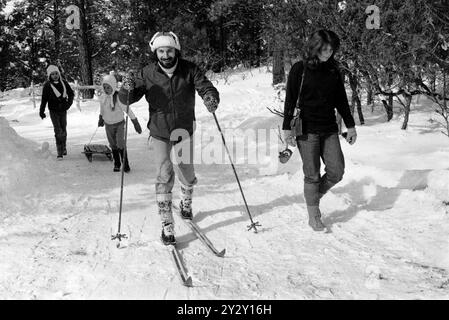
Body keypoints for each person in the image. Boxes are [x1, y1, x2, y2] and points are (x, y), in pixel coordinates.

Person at [119, 31, 220, 245]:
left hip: (184, 129)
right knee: (164, 174)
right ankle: (167, 224)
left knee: (186, 170)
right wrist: (126, 88)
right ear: (156, 52)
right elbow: (128, 98)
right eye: (161, 51)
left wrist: (210, 97)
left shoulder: (189, 69)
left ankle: (186, 201)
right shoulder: (147, 73)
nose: (165, 55)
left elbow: (205, 86)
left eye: (169, 50)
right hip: (160, 131)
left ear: (176, 50)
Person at [283, 29, 357, 232]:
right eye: (324, 48)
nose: (328, 52)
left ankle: (313, 196)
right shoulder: (300, 69)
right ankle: (314, 214)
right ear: (315, 47)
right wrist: (286, 129)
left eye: (331, 48)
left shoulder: (334, 70)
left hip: (329, 128)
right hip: (306, 129)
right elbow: (290, 100)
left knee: (336, 171)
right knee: (312, 175)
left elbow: (341, 100)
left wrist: (350, 126)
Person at [98, 74, 142, 172]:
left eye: (108, 87)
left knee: (120, 143)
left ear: (113, 86)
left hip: (119, 124)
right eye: (104, 87)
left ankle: (125, 164)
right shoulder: (103, 98)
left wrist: (135, 122)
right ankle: (117, 163)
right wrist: (100, 118)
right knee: (113, 144)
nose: (106, 89)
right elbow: (102, 109)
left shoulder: (119, 98)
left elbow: (128, 110)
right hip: (108, 125)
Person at [39, 65, 74, 160]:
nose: (55, 76)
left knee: (63, 129)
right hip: (53, 110)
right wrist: (41, 111)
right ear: (49, 75)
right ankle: (60, 152)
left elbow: (71, 94)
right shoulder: (47, 86)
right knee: (58, 130)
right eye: (53, 74)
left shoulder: (64, 83)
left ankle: (64, 146)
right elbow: (44, 99)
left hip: (63, 109)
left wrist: (68, 104)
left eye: (56, 73)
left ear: (59, 74)